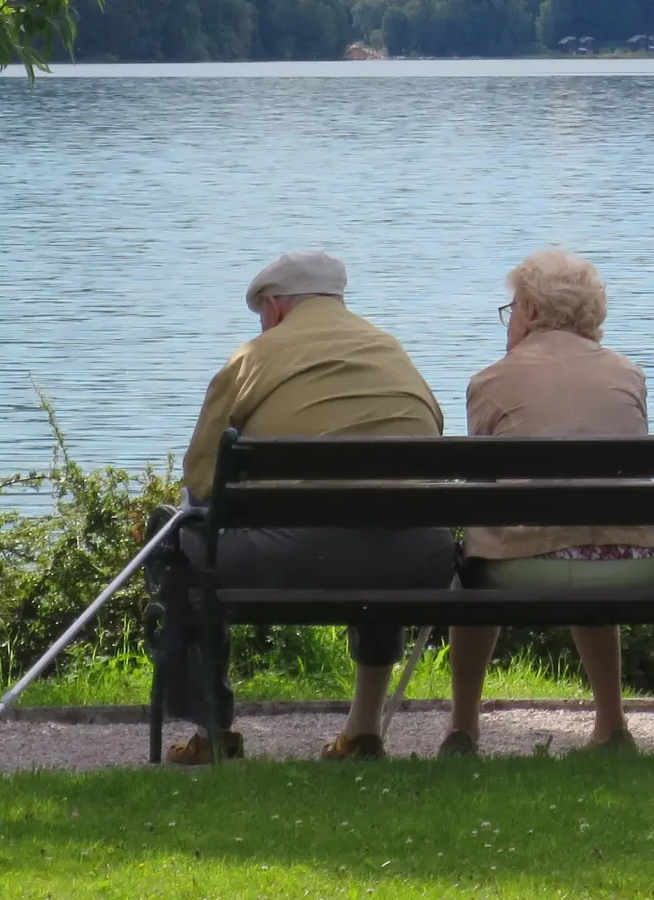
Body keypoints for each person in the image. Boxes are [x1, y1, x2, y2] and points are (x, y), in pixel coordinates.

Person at [149, 249, 456, 765]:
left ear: (275, 307)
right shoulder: (392, 353)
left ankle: (212, 729)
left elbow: (201, 480)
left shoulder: (253, 358)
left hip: (296, 560)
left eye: (263, 315)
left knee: (175, 536)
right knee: (380, 521)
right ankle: (362, 731)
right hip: (416, 562)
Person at [440, 248, 654, 758]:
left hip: (527, 568)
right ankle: (612, 723)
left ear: (531, 312)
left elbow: (480, 488)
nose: (509, 321)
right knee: (592, 527)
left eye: (512, 309)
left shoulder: (491, 379)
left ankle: (463, 729)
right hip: (641, 564)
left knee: (475, 562)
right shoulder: (629, 374)